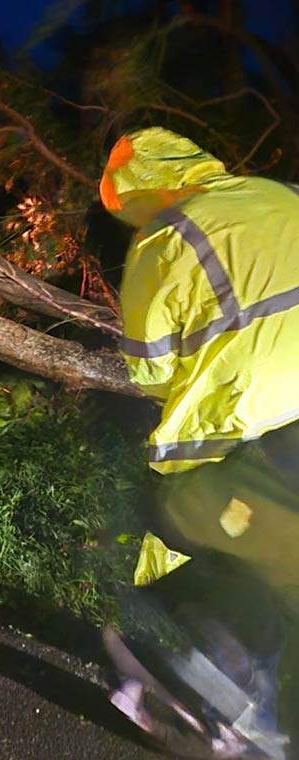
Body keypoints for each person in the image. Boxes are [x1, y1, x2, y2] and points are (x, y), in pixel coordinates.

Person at [99, 126, 299, 758]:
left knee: (192, 521)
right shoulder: (279, 194)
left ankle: (181, 658)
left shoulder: (165, 236)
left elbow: (149, 365)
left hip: (230, 412)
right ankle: (246, 693)